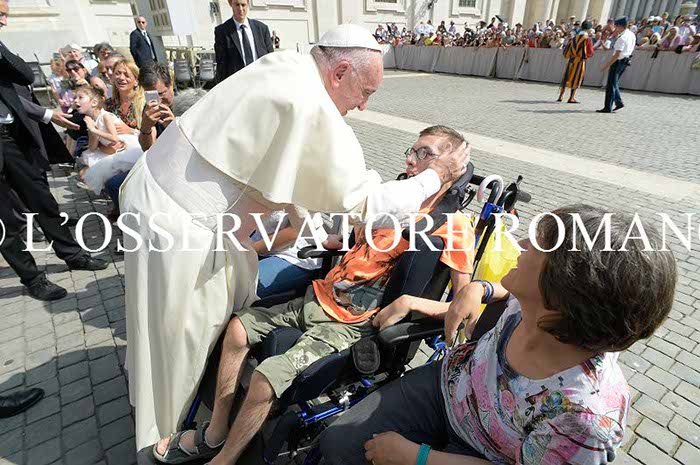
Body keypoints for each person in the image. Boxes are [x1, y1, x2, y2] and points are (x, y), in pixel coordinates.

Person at [120, 23, 470, 450]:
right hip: (187, 228)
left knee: (163, 325)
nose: (363, 105)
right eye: (365, 92)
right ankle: (167, 431)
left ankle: (202, 435)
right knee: (179, 336)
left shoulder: (282, 66)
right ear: (340, 72)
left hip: (161, 203)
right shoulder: (310, 103)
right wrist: (436, 174)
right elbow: (365, 203)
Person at [151, 125, 477, 465]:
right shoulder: (395, 200)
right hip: (318, 297)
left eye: (424, 153)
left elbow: (464, 307)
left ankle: (224, 460)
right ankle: (216, 432)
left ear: (450, 168)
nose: (410, 160)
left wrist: (408, 302)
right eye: (411, 151)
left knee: (265, 378)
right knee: (236, 329)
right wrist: (340, 237)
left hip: (353, 325)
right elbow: (355, 241)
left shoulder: (453, 226)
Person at [320, 205, 677, 465]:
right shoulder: (543, 310)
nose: (520, 244)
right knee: (336, 443)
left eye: (536, 246)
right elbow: (509, 293)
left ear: (562, 295)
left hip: (486, 452)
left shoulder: (582, 420)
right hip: (448, 388)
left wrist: (418, 457)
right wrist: (480, 288)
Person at [0, 0, 108, 300]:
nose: (3, 21)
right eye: (0, 14)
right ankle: (33, 278)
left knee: (43, 200)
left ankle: (72, 255)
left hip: (13, 137)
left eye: (5, 15)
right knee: (5, 219)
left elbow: (24, 77)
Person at [214, 0, 274, 83]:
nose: (240, 9)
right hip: (238, 84)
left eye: (243, 5)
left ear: (248, 4)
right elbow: (221, 65)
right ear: (230, 4)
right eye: (237, 5)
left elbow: (271, 59)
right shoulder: (222, 31)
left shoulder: (262, 29)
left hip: (261, 81)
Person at [598, 17, 635, 113]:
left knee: (611, 84)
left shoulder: (622, 38)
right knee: (614, 82)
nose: (615, 28)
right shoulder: (631, 34)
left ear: (620, 26)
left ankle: (608, 107)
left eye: (616, 26)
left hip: (619, 61)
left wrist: (606, 66)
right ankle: (618, 102)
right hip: (626, 59)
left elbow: (617, 55)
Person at [557, 20, 594, 104]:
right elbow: (590, 52)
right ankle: (571, 98)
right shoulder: (587, 39)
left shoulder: (573, 38)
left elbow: (566, 51)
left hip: (571, 60)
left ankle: (561, 96)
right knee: (576, 78)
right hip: (580, 61)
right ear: (588, 29)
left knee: (566, 77)